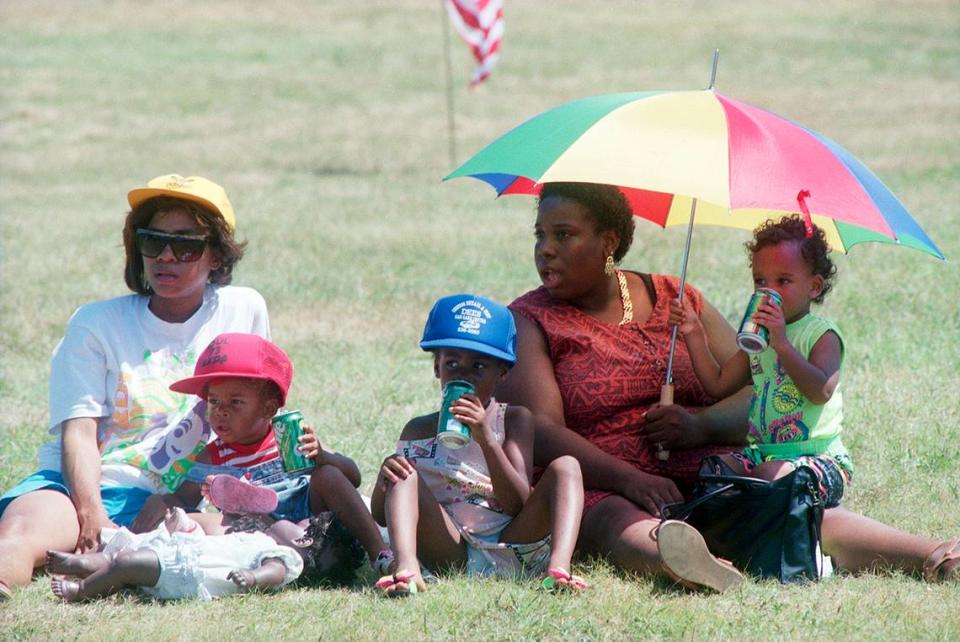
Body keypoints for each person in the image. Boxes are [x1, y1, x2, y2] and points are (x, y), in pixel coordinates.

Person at [497, 181, 959, 589]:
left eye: (564, 234)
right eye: (540, 235)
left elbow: (751, 385)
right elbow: (540, 429)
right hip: (601, 480)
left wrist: (699, 427)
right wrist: (631, 478)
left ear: (609, 241)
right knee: (615, 520)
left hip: (702, 467)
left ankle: (932, 554)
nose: (546, 249)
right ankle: (684, 561)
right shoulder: (530, 318)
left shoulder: (673, 296)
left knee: (782, 509)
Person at [0, 174, 270, 600]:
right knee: (22, 536)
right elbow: (79, 432)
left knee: (255, 542)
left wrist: (178, 499)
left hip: (171, 502)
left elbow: (246, 415)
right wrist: (92, 515)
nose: (166, 256)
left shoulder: (243, 310)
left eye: (186, 245)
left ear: (217, 255)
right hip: (79, 485)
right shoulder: (95, 323)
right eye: (152, 241)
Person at [371, 294, 588, 595]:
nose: (463, 374)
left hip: (512, 542)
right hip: (451, 547)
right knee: (402, 473)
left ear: (502, 374)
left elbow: (517, 504)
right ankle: (407, 570)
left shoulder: (512, 420)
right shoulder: (418, 429)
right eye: (451, 363)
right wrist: (387, 478)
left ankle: (559, 569)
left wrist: (486, 438)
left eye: (478, 367)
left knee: (567, 466)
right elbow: (381, 516)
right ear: (437, 368)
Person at [129, 332, 393, 576]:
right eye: (214, 401)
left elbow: (353, 477)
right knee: (205, 520)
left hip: (312, 519)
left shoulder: (289, 439)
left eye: (235, 402)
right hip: (253, 531)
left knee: (329, 475)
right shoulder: (213, 457)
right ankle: (143, 551)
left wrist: (323, 456)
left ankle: (379, 553)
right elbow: (184, 498)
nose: (221, 411)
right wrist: (164, 503)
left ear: (268, 409)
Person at [668, 215, 851, 506]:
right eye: (761, 281)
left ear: (814, 287)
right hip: (762, 453)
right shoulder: (758, 336)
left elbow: (820, 391)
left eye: (784, 281)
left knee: (771, 478)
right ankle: (710, 530)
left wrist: (781, 344)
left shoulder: (821, 335)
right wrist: (693, 333)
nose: (769, 291)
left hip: (817, 459)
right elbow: (718, 385)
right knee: (714, 470)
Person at [45, 506, 364, 602]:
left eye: (303, 527)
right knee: (132, 555)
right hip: (180, 552)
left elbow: (274, 574)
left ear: (307, 544)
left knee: (130, 563)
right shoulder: (261, 538)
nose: (295, 524)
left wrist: (253, 577)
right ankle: (85, 564)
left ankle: (82, 590)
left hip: (185, 571)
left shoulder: (286, 559)